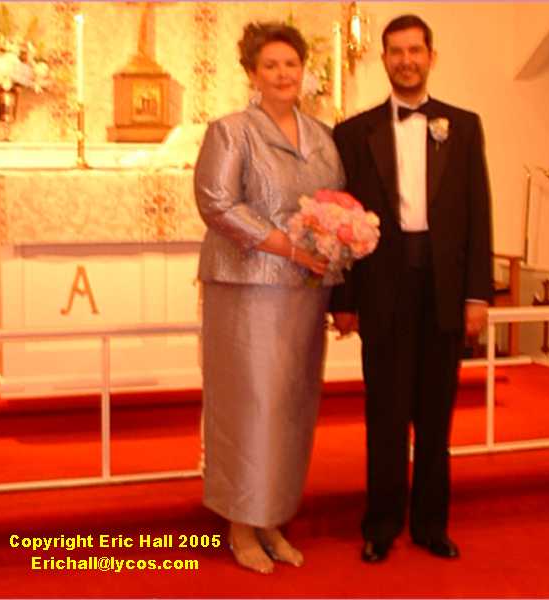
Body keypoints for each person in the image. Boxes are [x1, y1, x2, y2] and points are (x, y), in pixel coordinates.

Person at [330, 14, 493, 563]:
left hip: (444, 290)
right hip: (384, 288)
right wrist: (344, 300)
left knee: (435, 417)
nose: (406, 60)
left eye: (415, 50)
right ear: (384, 60)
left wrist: (477, 296)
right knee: (385, 414)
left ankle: (430, 525)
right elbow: (343, 221)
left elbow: (478, 214)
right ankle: (380, 525)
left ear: (431, 56)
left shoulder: (463, 126)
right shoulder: (354, 133)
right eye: (396, 51)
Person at [194, 22, 345, 575]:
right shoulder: (232, 131)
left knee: (292, 404)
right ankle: (241, 522)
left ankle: (273, 516)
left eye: (291, 64)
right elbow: (216, 202)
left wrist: (337, 241)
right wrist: (287, 246)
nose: (283, 74)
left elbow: (334, 201)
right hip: (247, 289)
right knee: (250, 404)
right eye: (271, 65)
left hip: (303, 292)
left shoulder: (322, 134)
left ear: (304, 69)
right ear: (252, 73)